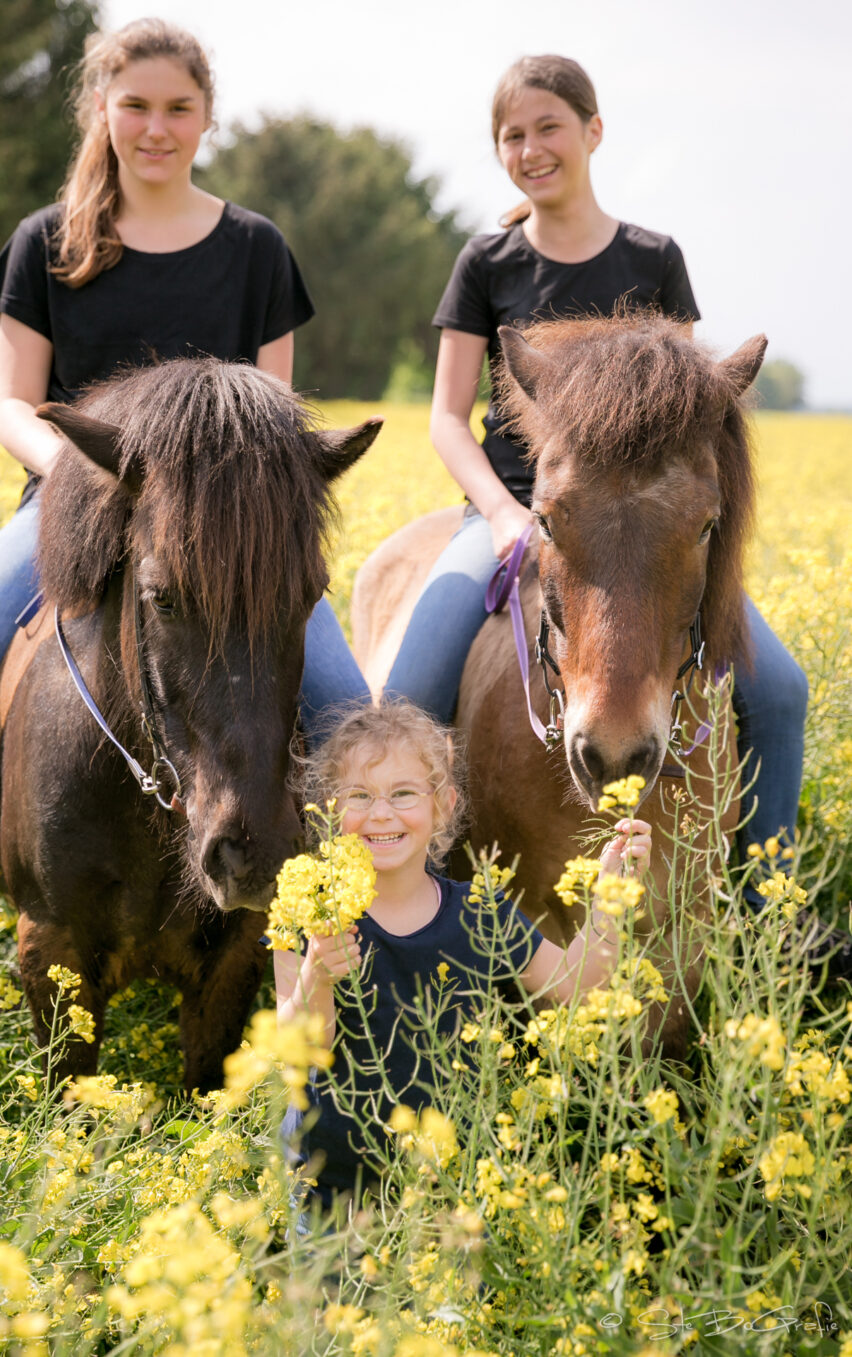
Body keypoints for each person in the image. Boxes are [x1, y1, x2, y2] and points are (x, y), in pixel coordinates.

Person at [0, 17, 365, 1062]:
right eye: (134, 104)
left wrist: (204, 506)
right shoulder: (46, 243)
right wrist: (91, 488)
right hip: (69, 504)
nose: (155, 126)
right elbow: (14, 406)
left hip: (224, 541)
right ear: (102, 108)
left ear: (205, 116)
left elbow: (271, 417)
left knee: (349, 712)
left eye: (177, 107)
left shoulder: (254, 249)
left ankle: (357, 950)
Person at [378, 54, 809, 907]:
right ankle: (410, 914)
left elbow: (696, 417)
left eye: (550, 128)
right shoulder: (487, 263)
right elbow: (444, 417)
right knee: (406, 698)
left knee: (783, 690)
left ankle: (764, 912)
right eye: (513, 136)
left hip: (643, 524)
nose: (532, 148)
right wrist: (503, 516)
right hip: (521, 515)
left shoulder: (654, 256)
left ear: (593, 132)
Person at [274, 700, 651, 1211]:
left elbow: (575, 986)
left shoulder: (481, 913)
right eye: (359, 795)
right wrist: (317, 976)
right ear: (330, 808)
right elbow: (299, 1052)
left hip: (449, 1188)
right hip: (331, 1189)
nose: (380, 813)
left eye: (403, 794)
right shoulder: (310, 911)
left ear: (444, 806)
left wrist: (611, 898)